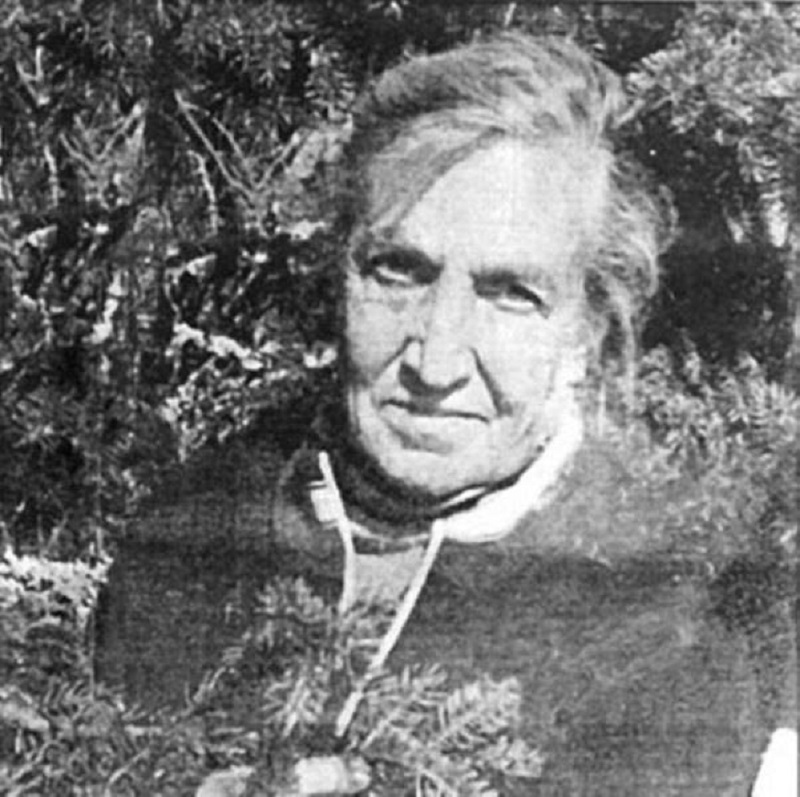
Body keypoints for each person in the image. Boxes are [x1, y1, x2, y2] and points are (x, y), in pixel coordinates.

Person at [270, 33, 797, 794]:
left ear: (589, 329)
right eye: (398, 271)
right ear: (339, 275)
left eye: (511, 294)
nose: (436, 361)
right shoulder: (195, 529)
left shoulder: (679, 650)